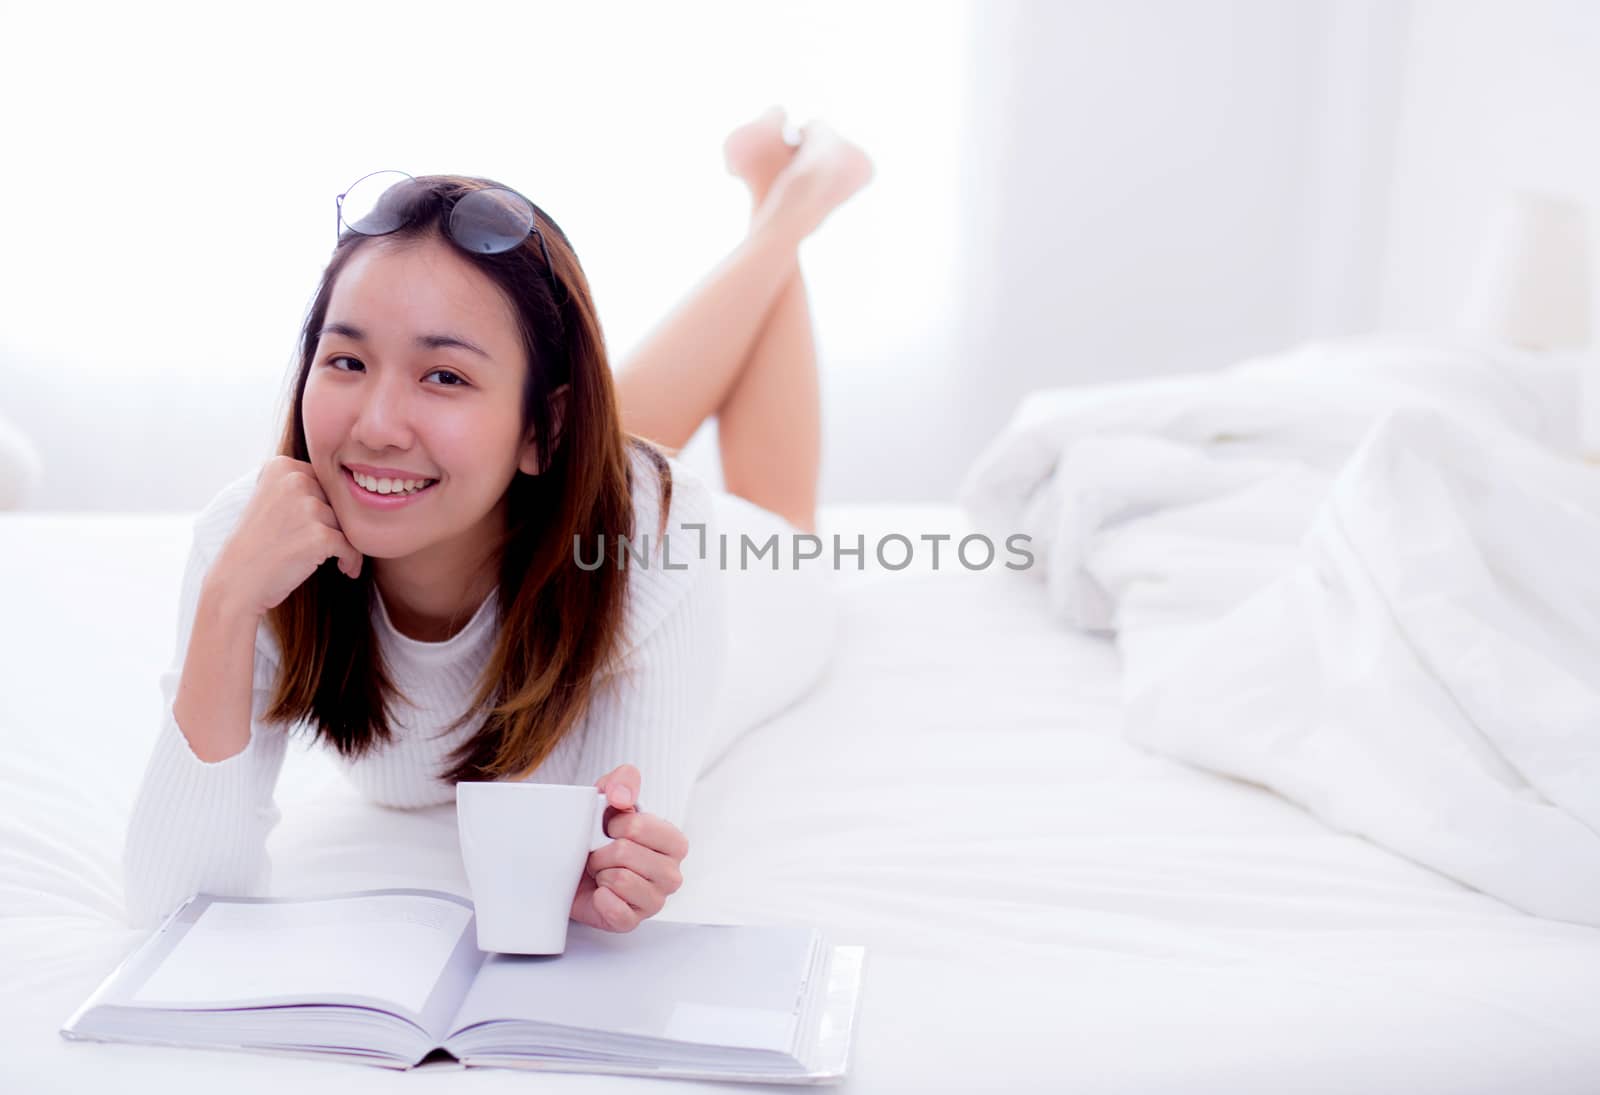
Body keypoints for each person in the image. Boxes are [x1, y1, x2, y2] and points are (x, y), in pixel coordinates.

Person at [121, 108, 875, 931]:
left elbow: (603, 850)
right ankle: (784, 193)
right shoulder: (257, 541)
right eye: (346, 360)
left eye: (442, 374)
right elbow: (171, 912)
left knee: (763, 513)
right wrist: (225, 604)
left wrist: (605, 879)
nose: (373, 421)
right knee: (537, 443)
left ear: (545, 430)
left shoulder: (655, 542)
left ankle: (794, 202)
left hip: (756, 577)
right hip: (525, 488)